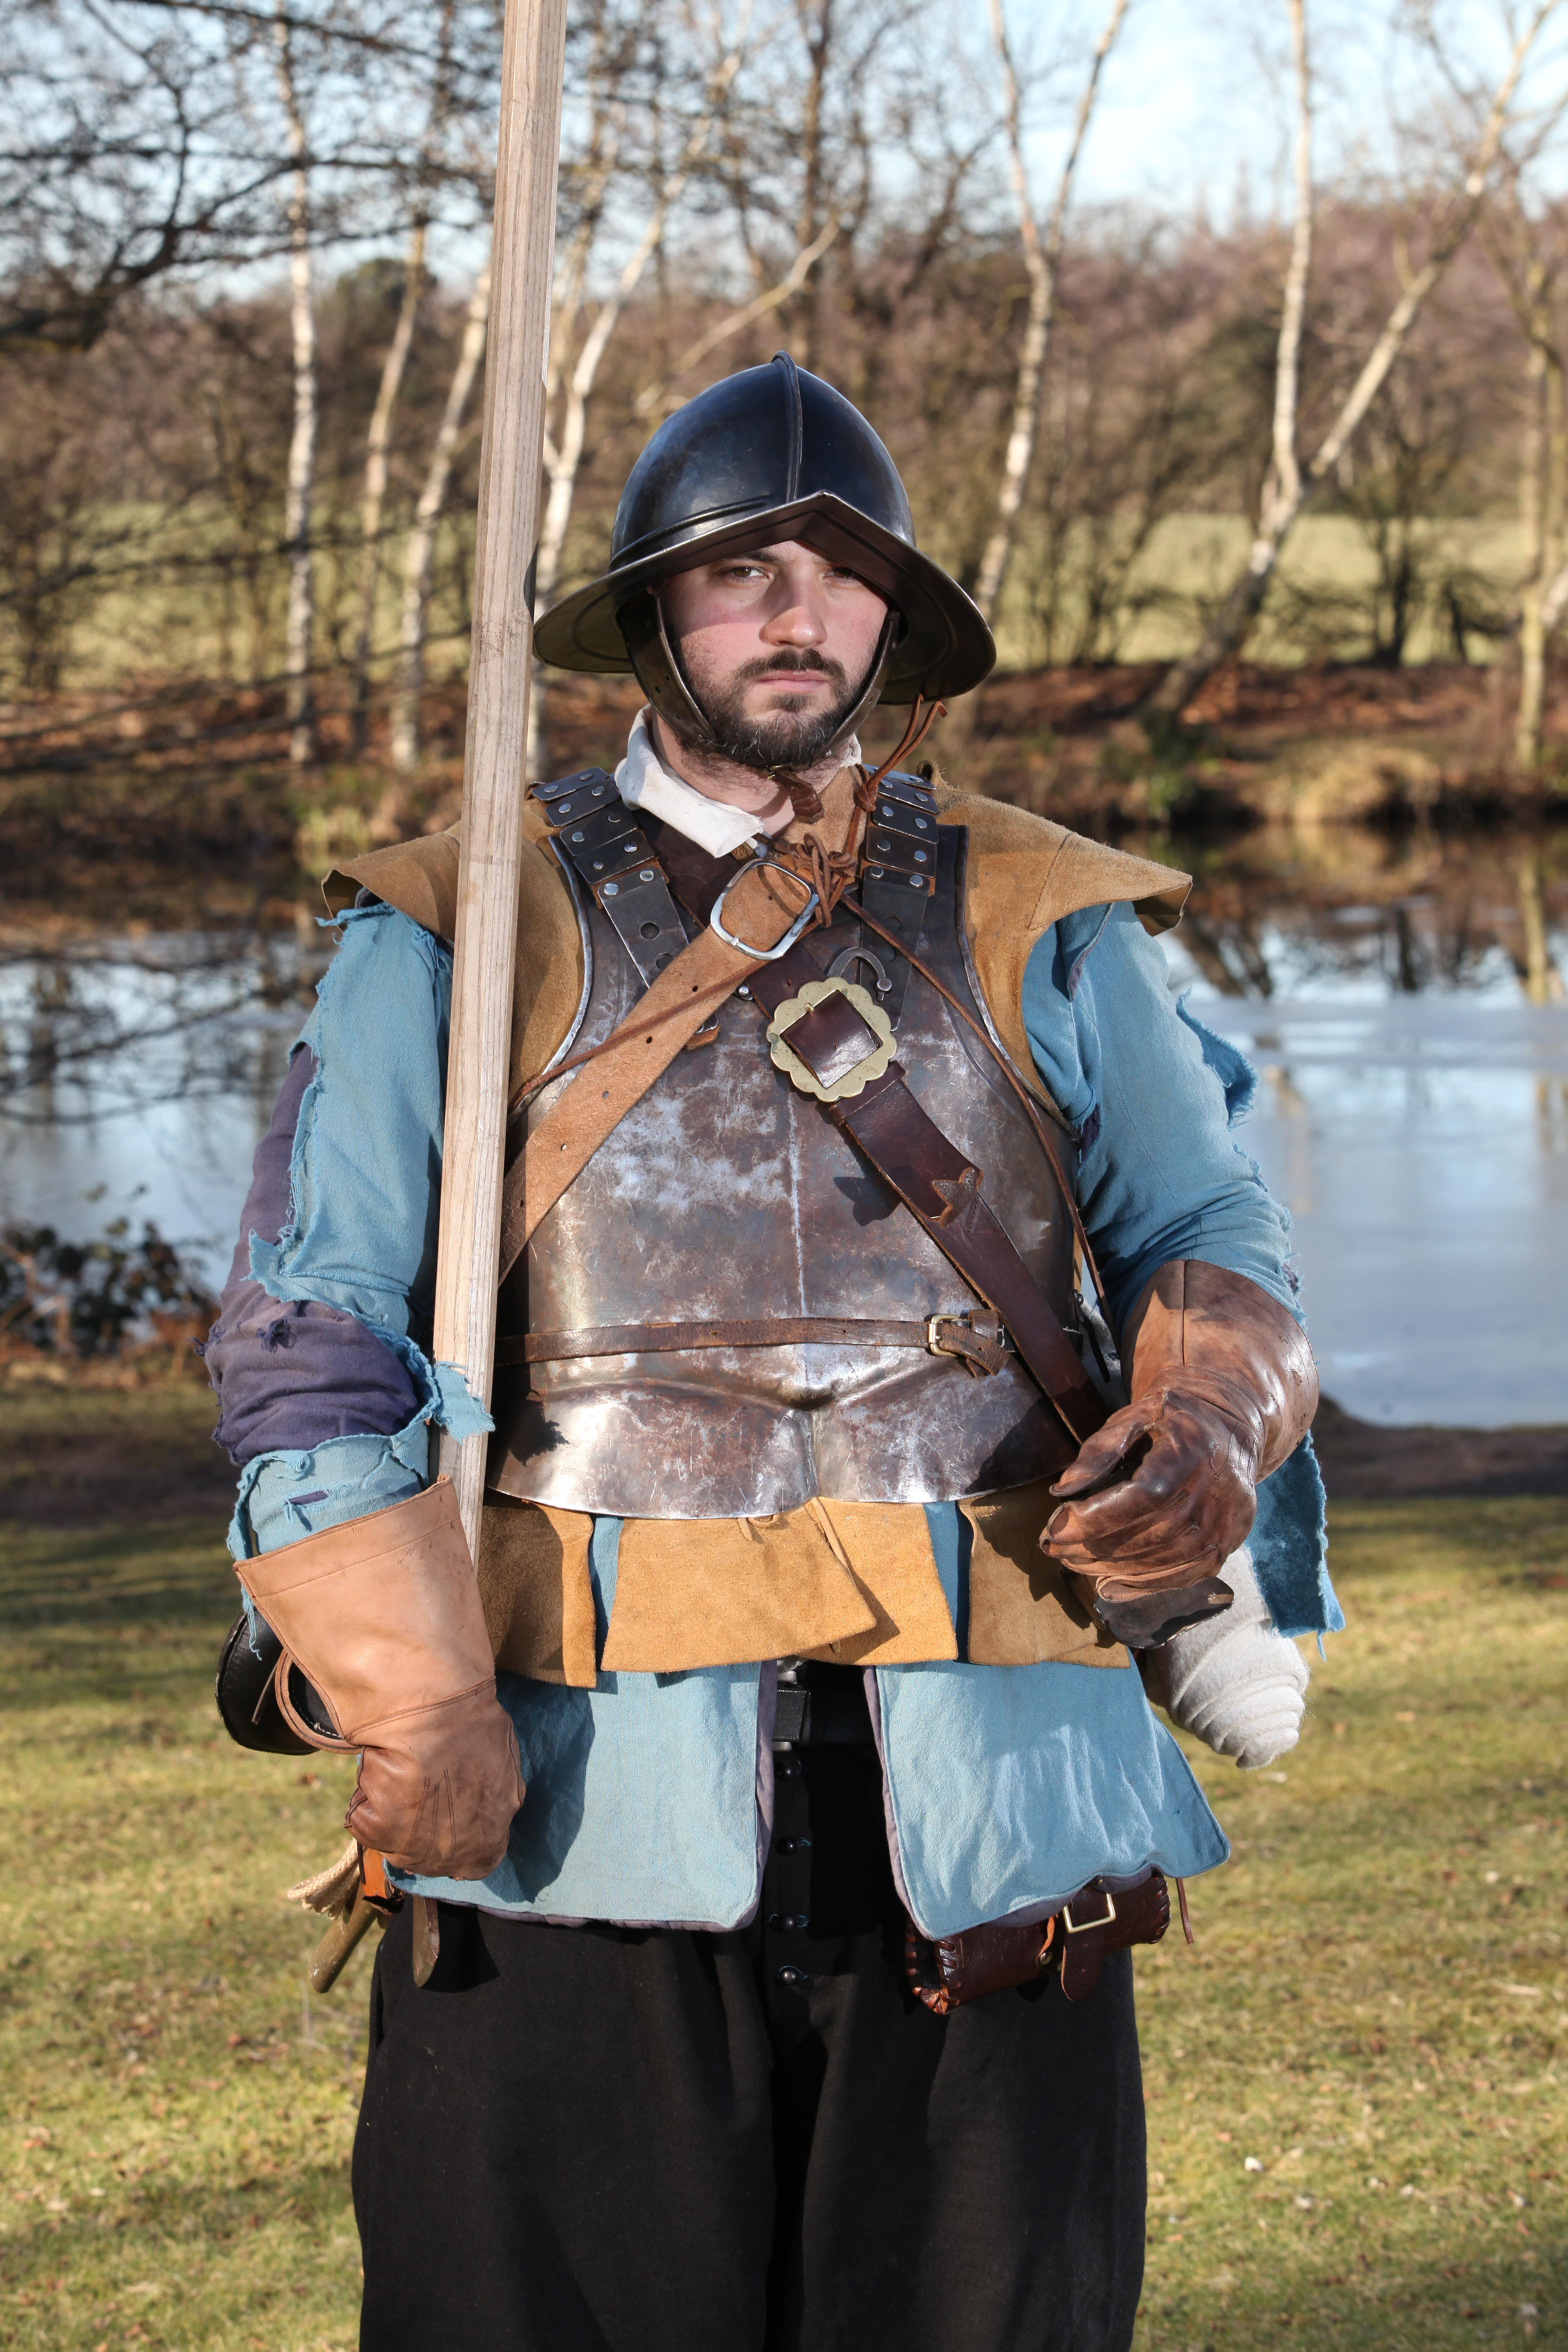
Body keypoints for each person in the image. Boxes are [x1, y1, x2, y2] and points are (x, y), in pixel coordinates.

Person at [204, 354, 1340, 2352]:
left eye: (834, 574)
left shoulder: (1046, 913)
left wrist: (1209, 1420)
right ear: (659, 616)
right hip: (571, 1817)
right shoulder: (460, 923)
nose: (790, 617)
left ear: (895, 615)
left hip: (994, 1822)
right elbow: (315, 1335)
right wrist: (409, 1700)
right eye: (740, 577)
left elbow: (1209, 1235)